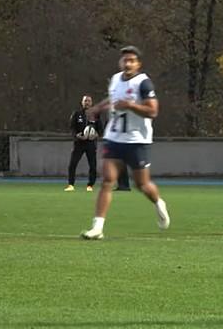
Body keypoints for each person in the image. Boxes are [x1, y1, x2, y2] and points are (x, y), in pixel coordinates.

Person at [80, 46, 170, 240]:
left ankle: (158, 202)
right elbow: (112, 99)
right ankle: (97, 227)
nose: (128, 63)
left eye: (132, 60)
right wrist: (98, 108)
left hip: (137, 140)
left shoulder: (143, 83)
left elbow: (153, 111)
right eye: (125, 60)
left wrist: (130, 105)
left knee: (142, 184)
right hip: (114, 138)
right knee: (107, 181)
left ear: (138, 64)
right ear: (121, 63)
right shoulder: (115, 79)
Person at [65, 95, 103, 192]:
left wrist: (96, 135)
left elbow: (100, 129)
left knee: (92, 165)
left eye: (89, 101)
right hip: (79, 143)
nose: (87, 103)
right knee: (72, 164)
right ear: (82, 102)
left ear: (91, 103)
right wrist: (76, 135)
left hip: (91, 143)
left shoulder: (95, 114)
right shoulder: (77, 113)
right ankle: (70, 185)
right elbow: (72, 127)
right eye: (85, 101)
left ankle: (90, 185)